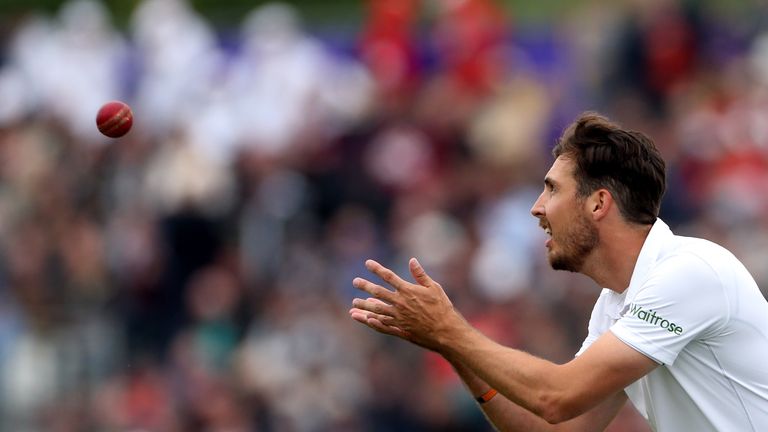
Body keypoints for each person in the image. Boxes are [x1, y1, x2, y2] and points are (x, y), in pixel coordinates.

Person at [349, 112, 768, 431]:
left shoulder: (689, 272)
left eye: (552, 189)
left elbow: (557, 397)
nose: (537, 207)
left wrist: (449, 330)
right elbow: (562, 426)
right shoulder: (615, 305)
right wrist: (451, 344)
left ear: (598, 204)